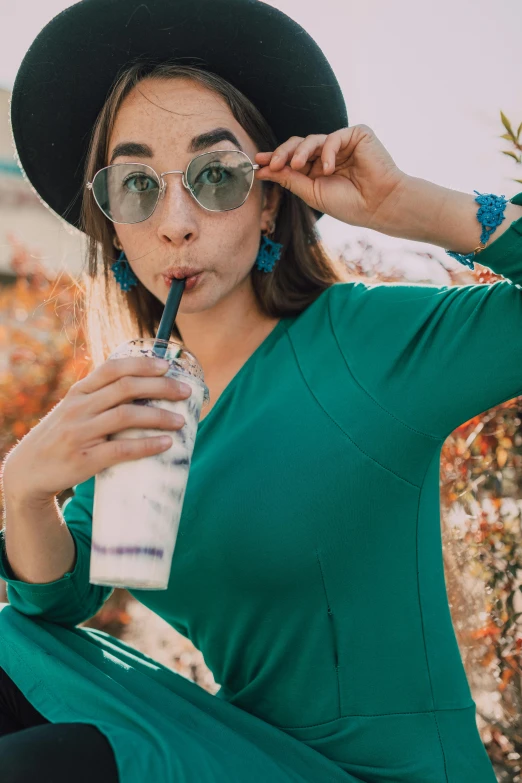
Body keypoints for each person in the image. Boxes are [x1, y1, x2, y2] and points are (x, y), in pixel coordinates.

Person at [1, 1, 522, 781]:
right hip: (242, 754)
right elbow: (57, 602)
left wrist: (407, 204)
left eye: (215, 176)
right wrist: (22, 488)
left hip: (393, 775)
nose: (176, 222)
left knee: (47, 764)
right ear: (114, 225)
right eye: (138, 186)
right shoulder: (140, 403)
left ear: (270, 195)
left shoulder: (363, 343)